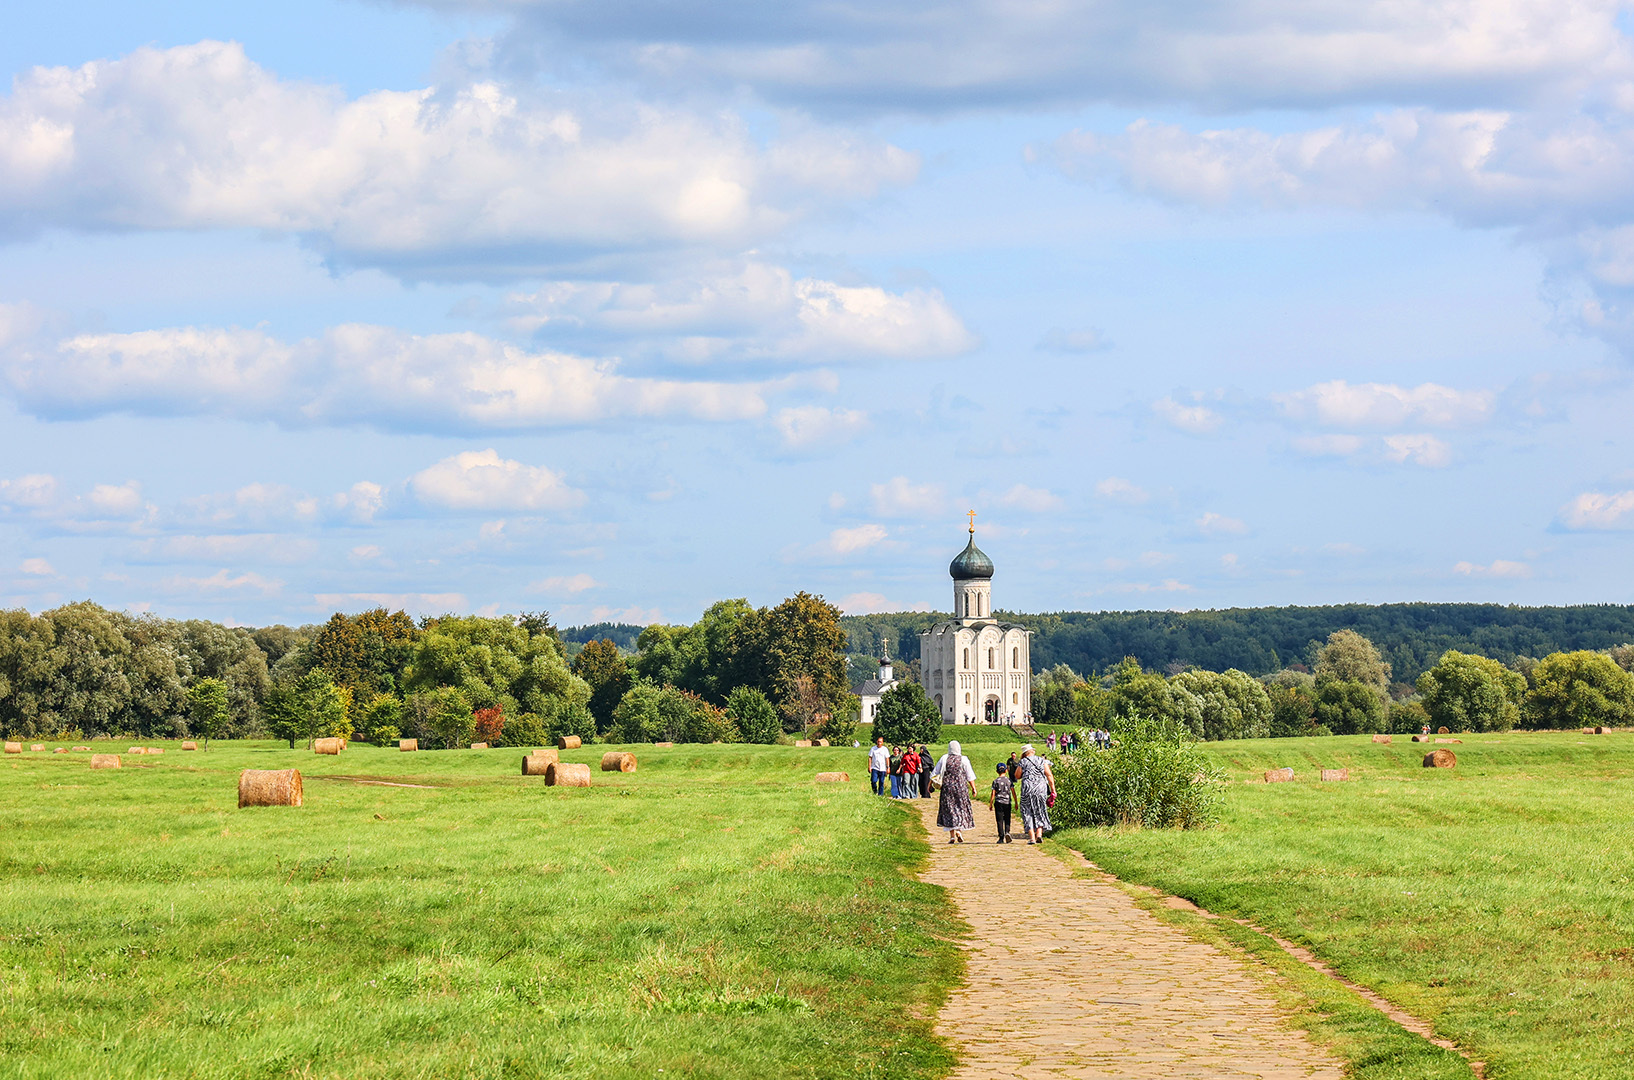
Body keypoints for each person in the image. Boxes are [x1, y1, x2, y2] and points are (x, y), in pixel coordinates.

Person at [932, 739, 977, 843]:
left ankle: (952, 835)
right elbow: (970, 775)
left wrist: (929, 785)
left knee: (949, 810)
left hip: (947, 788)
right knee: (960, 808)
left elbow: (935, 772)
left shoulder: (944, 758)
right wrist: (974, 788)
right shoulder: (963, 759)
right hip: (961, 788)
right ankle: (959, 830)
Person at [1016, 743, 1057, 845]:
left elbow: (1017, 775)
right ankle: (1039, 834)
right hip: (1040, 788)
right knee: (1040, 809)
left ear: (1024, 753)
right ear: (1033, 751)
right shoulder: (1042, 760)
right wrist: (1053, 789)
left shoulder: (1023, 761)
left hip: (1027, 789)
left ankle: (1032, 838)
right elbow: (1049, 775)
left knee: (1027, 812)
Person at [990, 762, 1014, 843]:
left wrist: (990, 803)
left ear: (997, 771)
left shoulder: (996, 781)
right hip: (1007, 802)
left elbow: (993, 793)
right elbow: (1013, 791)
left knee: (999, 820)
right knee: (1007, 818)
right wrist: (1016, 802)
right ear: (1006, 770)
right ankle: (1007, 832)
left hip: (998, 802)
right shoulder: (1009, 780)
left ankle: (1001, 837)